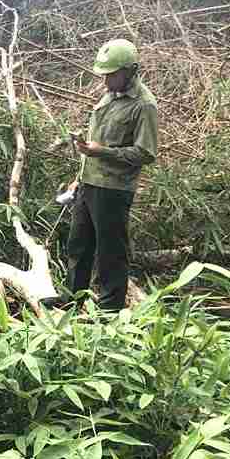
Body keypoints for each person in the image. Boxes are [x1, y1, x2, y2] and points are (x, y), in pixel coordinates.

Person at [65, 39, 159, 311]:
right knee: (78, 246)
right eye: (104, 74)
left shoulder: (144, 105)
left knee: (110, 254)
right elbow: (95, 143)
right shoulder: (109, 95)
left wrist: (103, 152)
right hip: (89, 183)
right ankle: (73, 301)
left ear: (131, 70)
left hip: (114, 189)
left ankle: (109, 313)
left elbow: (146, 153)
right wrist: (79, 176)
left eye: (112, 74)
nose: (105, 80)